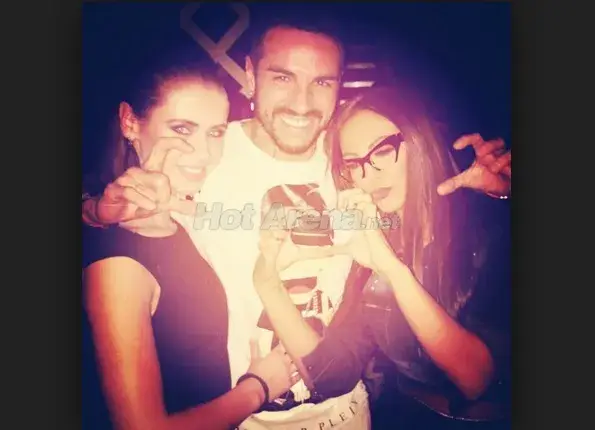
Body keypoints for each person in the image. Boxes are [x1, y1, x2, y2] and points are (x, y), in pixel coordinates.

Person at [82, 21, 510, 430]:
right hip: (245, 417)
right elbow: (124, 209)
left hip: (349, 409)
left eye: (322, 82)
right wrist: (96, 209)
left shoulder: (350, 157)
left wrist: (501, 192)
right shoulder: (206, 153)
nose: (302, 103)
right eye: (283, 77)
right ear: (251, 76)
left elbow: (418, 188)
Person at [251, 83, 511, 426]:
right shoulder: (369, 250)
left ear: (418, 141)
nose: (367, 174)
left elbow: (476, 380)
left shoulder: (488, 226)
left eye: (383, 151)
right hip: (402, 415)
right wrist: (267, 281)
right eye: (352, 163)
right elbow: (333, 375)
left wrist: (391, 268)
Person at [81, 60, 300, 430]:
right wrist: (259, 387)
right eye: (182, 129)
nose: (203, 154)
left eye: (215, 133)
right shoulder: (119, 265)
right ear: (130, 122)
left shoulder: (176, 219)